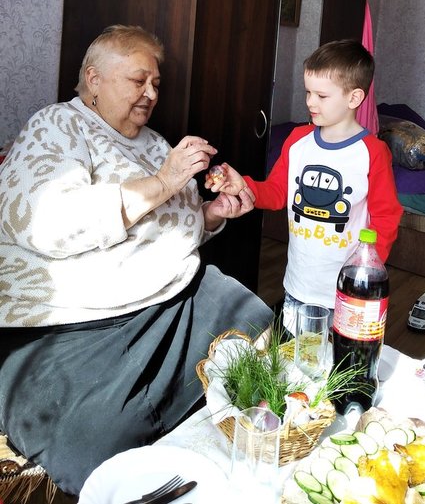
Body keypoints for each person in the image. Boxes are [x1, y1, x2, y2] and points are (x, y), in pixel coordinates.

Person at [0, 25, 273, 495]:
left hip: (171, 295)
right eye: (138, 81)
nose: (150, 94)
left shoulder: (153, 143)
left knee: (261, 327)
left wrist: (210, 215)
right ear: (94, 79)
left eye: (156, 84)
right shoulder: (57, 126)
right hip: (79, 319)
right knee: (91, 444)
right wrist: (165, 182)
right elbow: (45, 223)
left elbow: (173, 228)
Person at [207, 39, 403, 334]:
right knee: (294, 367)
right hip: (298, 287)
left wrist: (367, 274)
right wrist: (241, 185)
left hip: (345, 294)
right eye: (308, 92)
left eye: (322, 95)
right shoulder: (298, 140)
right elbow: (275, 194)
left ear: (354, 98)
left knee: (337, 372)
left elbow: (386, 218)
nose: (310, 102)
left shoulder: (372, 152)